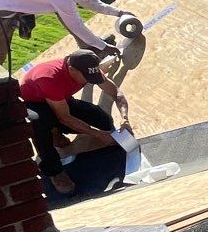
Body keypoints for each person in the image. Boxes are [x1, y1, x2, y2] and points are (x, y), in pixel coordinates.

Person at [19, 49, 127, 194]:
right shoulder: (49, 78)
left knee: (100, 117)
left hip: (60, 99)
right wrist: (98, 134)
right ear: (71, 70)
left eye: (92, 76)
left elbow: (116, 93)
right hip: (34, 103)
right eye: (86, 77)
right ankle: (54, 172)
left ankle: (56, 130)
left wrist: (125, 119)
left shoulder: (89, 70)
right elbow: (65, 118)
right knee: (39, 127)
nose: (90, 80)